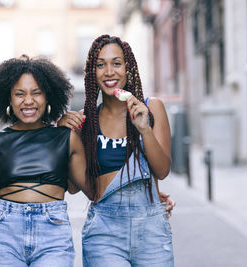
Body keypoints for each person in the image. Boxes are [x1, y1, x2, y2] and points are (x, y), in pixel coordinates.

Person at [0, 55, 93, 267]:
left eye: (36, 93)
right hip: (4, 238)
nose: (28, 101)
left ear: (48, 97)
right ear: (8, 100)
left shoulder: (66, 138)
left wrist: (144, 190)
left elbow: (89, 190)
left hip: (54, 238)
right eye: (19, 94)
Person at [58, 34, 174, 266]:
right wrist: (65, 137)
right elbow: (71, 189)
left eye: (116, 63)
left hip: (151, 228)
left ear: (128, 68)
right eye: (100, 65)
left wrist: (144, 129)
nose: (109, 71)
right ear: (93, 73)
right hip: (104, 232)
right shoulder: (85, 122)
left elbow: (161, 171)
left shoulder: (152, 108)